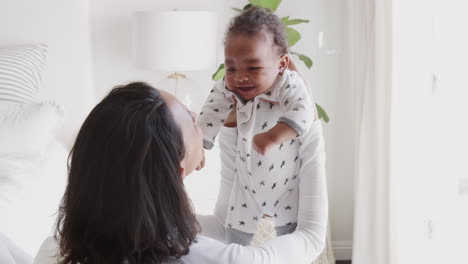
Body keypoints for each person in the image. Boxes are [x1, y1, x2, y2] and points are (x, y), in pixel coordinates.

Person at [33, 82, 327, 264]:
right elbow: (311, 238)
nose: (199, 118)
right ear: (177, 169)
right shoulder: (200, 257)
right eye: (191, 119)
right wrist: (308, 123)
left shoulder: (59, 249)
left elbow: (226, 224)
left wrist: (231, 126)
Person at [196, 6, 324, 247]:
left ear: (282, 64)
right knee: (234, 236)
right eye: (231, 68)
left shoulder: (288, 83)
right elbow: (211, 111)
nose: (240, 77)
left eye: (253, 67)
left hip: (286, 183)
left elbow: (304, 111)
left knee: (290, 238)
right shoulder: (227, 86)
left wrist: (274, 136)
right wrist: (201, 144)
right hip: (246, 183)